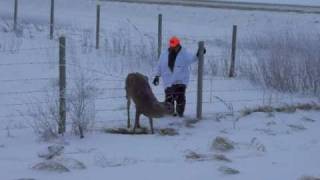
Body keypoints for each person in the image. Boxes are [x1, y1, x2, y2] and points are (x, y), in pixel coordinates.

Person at [153, 36, 206, 117]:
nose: (173, 48)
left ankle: (180, 115)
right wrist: (157, 76)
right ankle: (169, 116)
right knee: (169, 100)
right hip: (168, 82)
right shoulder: (164, 54)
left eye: (175, 46)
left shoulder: (184, 54)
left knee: (180, 99)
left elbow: (192, 58)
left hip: (180, 82)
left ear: (178, 45)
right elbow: (159, 65)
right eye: (172, 46)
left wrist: (198, 54)